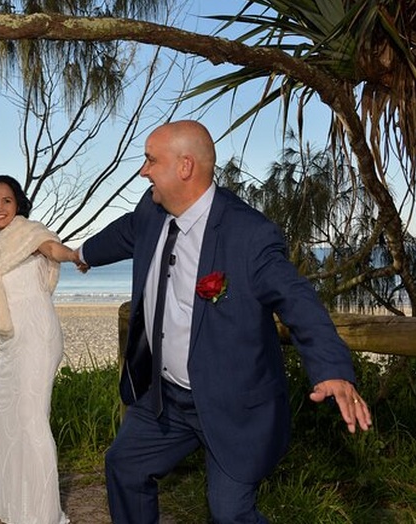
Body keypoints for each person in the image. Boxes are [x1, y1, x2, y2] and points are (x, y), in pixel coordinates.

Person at [74, 120, 373, 523]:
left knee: (230, 512)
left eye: (150, 160)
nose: (143, 171)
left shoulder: (249, 234)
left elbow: (298, 300)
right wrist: (80, 254)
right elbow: (125, 232)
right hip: (164, 399)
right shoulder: (152, 210)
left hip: (234, 403)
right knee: (124, 466)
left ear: (185, 167)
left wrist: (333, 371)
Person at [0, 174, 77, 524]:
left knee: (32, 421)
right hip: (10, 341)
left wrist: (74, 254)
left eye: (6, 200)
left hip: (37, 333)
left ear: (18, 204)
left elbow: (53, 249)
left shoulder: (30, 232)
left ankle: (40, 514)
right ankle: (8, 504)